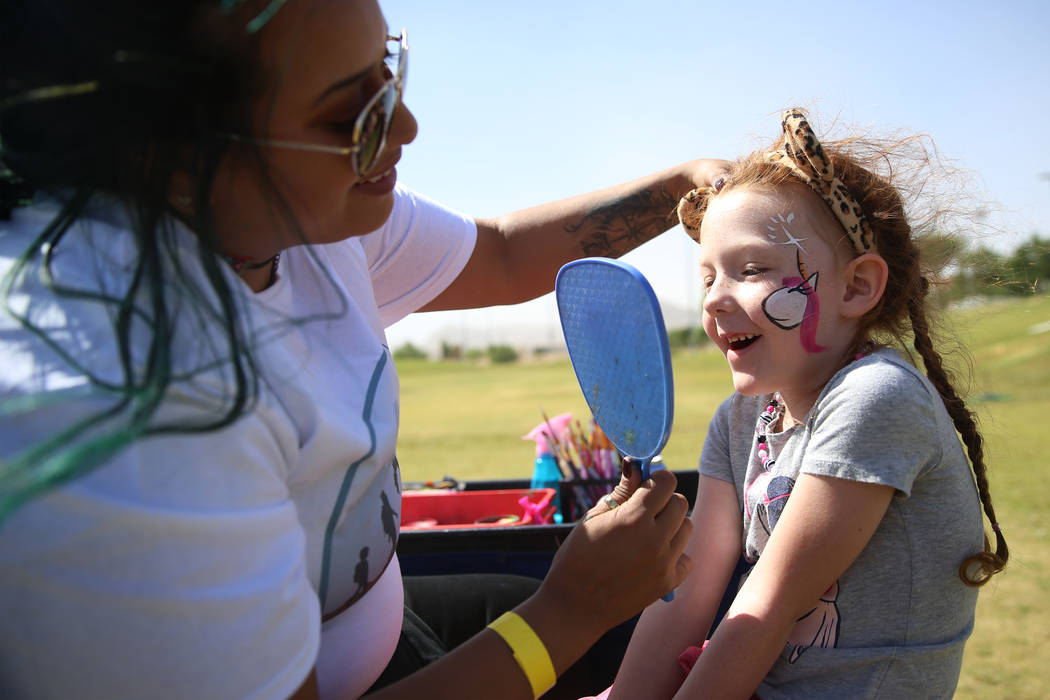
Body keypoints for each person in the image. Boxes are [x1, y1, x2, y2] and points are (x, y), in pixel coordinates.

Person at [0, 1, 727, 698]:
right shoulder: (131, 409)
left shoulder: (302, 212)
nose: (405, 125)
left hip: (377, 627)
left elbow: (503, 254)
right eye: (353, 113)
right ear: (173, 149)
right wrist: (567, 613)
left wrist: (681, 186)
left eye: (389, 70)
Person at [601, 109, 1009, 699]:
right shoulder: (740, 419)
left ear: (856, 287)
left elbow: (769, 606)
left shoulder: (875, 397)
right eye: (709, 277)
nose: (715, 300)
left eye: (751, 270)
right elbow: (690, 593)